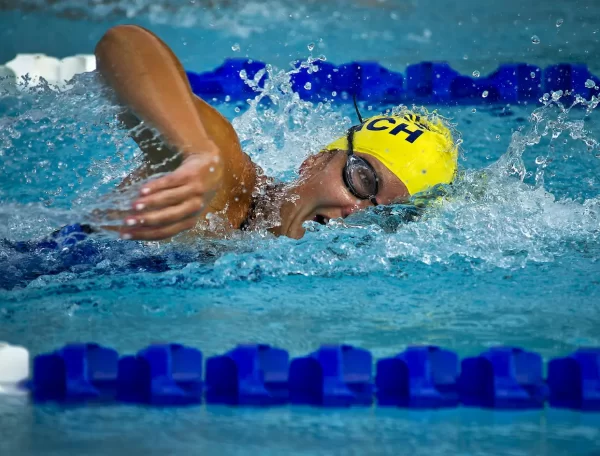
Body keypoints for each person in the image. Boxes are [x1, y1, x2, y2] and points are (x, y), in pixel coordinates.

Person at [93, 25, 458, 241]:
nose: (355, 211)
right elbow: (125, 45)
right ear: (315, 160)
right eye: (362, 180)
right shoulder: (225, 185)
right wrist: (195, 151)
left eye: (386, 215)